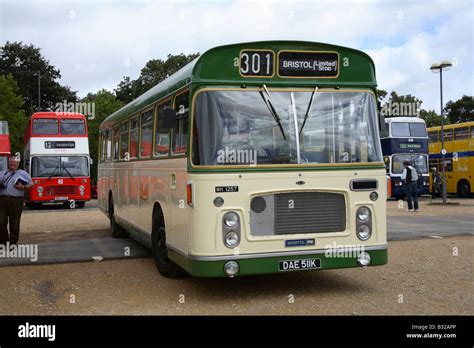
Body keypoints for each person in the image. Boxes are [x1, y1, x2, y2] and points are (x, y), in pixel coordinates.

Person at [0, 156, 34, 245]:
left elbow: (32, 184)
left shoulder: (23, 173)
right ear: (8, 164)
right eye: (11, 162)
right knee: (1, 222)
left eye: (14, 163)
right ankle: (3, 241)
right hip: (2, 200)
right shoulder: (2, 173)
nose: (12, 164)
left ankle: (13, 243)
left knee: (14, 222)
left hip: (16, 200)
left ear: (18, 164)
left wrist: (23, 187)